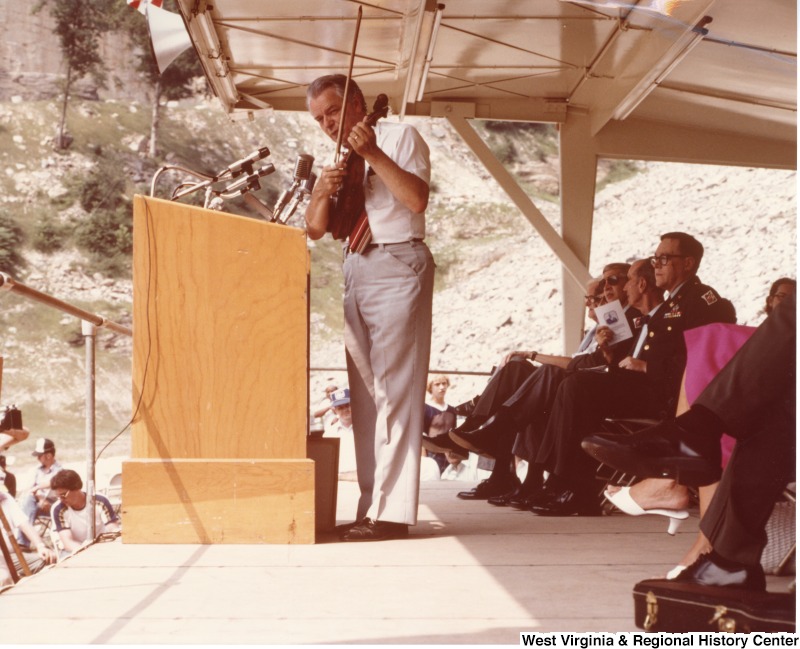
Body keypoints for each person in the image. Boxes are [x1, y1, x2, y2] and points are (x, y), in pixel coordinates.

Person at [583, 292, 795, 590]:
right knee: (771, 413)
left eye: (663, 259)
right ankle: (727, 559)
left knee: (720, 342)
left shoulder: (700, 301)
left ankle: (691, 444)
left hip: (658, 392)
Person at [305, 74, 434, 542]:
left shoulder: (398, 137)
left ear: (358, 103)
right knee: (364, 397)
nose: (327, 123)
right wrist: (322, 190)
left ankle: (394, 513)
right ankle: (371, 505)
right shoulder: (338, 159)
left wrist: (371, 153)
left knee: (396, 389)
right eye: (319, 118)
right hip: (356, 265)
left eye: (334, 112)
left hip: (397, 258)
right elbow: (316, 229)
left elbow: (417, 198)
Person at [528, 234, 737, 517]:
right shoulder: (670, 305)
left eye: (664, 259)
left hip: (672, 396)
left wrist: (648, 367)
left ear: (688, 263)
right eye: (655, 258)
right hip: (649, 389)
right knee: (570, 383)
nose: (657, 265)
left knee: (579, 386)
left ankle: (576, 489)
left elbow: (704, 358)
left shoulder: (703, 301)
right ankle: (559, 481)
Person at [445, 265, 638, 503]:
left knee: (544, 381)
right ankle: (490, 446)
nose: (594, 302)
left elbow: (591, 364)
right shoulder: (606, 323)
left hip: (602, 392)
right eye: (591, 298)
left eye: (614, 282)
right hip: (583, 385)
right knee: (516, 371)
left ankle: (494, 435)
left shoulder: (624, 318)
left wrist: (534, 354)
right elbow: (591, 361)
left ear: (635, 285)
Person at [50, 469, 120, 555]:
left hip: (100, 546)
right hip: (73, 550)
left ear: (76, 487)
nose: (60, 499)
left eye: (63, 495)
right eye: (57, 496)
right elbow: (68, 543)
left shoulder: (100, 501)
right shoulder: (58, 509)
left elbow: (113, 529)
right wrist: (89, 553)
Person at [0, 490, 56, 586]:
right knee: (4, 578)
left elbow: (23, 523)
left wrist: (40, 546)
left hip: (11, 557)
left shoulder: (4, 497)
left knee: (46, 560)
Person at [16, 437, 62, 550]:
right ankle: (23, 541)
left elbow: (55, 483)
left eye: (39, 455)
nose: (37, 458)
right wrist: (40, 497)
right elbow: (29, 489)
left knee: (26, 503)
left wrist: (38, 488)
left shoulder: (60, 470)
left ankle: (22, 541)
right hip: (37, 502)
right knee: (27, 499)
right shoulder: (35, 470)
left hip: (53, 504)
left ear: (49, 455)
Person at [423, 375, 459, 474]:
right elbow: (421, 434)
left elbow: (454, 434)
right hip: (432, 454)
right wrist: (424, 459)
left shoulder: (452, 410)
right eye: (437, 384)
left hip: (449, 454)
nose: (442, 387)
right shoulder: (425, 408)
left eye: (444, 383)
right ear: (430, 387)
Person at [324, 388, 357, 480]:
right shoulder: (330, 433)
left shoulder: (365, 429)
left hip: (361, 480)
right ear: (334, 410)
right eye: (340, 408)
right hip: (339, 480)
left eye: (347, 405)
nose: (345, 410)